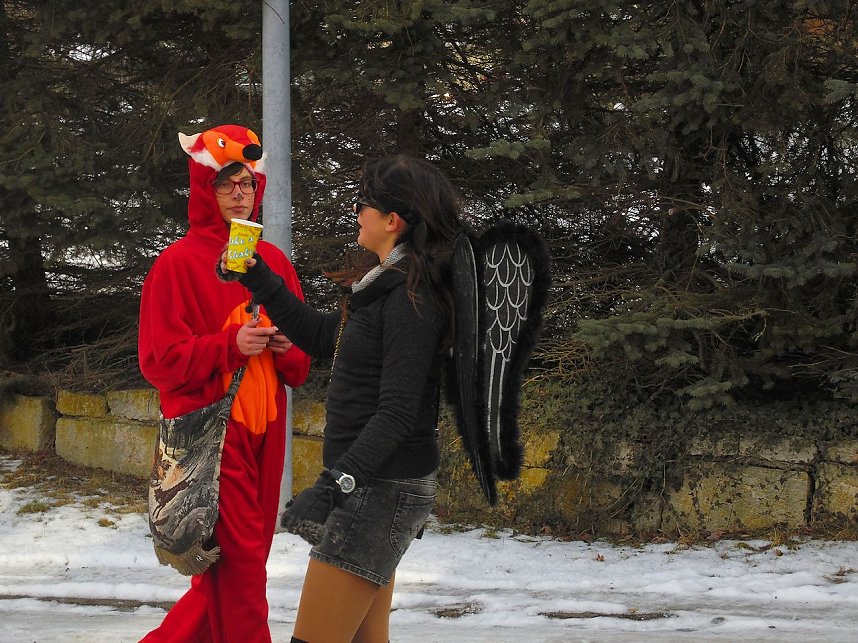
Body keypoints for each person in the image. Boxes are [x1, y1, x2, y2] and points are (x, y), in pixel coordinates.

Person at [218, 155, 463, 643]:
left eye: (364, 205)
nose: (356, 212)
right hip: (374, 487)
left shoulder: (412, 299)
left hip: (380, 489)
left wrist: (332, 487)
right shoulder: (386, 285)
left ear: (392, 222)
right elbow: (325, 335)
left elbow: (396, 414)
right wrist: (257, 275)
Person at [138, 124, 311, 642]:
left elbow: (301, 365)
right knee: (239, 566)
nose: (240, 195)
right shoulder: (177, 264)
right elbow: (158, 361)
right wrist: (227, 346)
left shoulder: (273, 261)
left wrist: (286, 349)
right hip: (210, 434)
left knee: (239, 559)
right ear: (203, 189)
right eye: (227, 184)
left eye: (248, 185)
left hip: (267, 432)